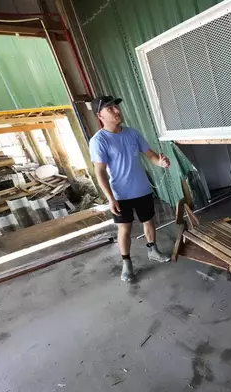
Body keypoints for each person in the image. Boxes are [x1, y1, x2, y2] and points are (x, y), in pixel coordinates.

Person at [89, 95, 171, 282]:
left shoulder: (133, 133)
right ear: (99, 115)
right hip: (120, 194)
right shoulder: (99, 140)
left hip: (142, 189)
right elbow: (100, 172)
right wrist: (110, 198)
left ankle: (153, 250)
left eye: (116, 107)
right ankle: (127, 264)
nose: (117, 111)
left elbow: (150, 156)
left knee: (148, 221)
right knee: (124, 229)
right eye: (110, 109)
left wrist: (161, 162)